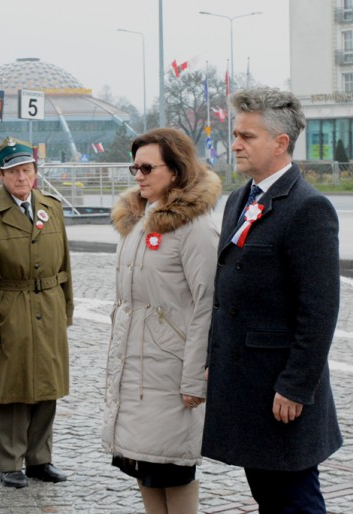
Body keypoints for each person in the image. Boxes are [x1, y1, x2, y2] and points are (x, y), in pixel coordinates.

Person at [202, 88, 342, 514]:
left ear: (281, 143)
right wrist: (214, 358)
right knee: (268, 494)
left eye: (247, 136)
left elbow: (318, 310)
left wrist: (296, 385)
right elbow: (226, 292)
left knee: (295, 500)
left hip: (280, 390)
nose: (236, 144)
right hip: (245, 382)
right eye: (236, 134)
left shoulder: (308, 208)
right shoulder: (240, 197)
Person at [101, 128, 221, 514]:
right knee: (144, 465)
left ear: (176, 170)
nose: (138, 175)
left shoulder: (194, 228)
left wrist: (193, 378)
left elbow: (208, 303)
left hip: (170, 374)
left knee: (174, 470)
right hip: (136, 370)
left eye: (147, 167)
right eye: (134, 166)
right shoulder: (140, 219)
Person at [0, 137, 73, 489]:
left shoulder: (51, 208)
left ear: (35, 172)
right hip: (9, 310)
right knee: (11, 390)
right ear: (0, 176)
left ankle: (40, 458)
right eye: (13, 172)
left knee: (47, 386)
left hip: (49, 306)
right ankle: (10, 462)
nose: (21, 177)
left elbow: (65, 266)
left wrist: (66, 310)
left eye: (26, 170)